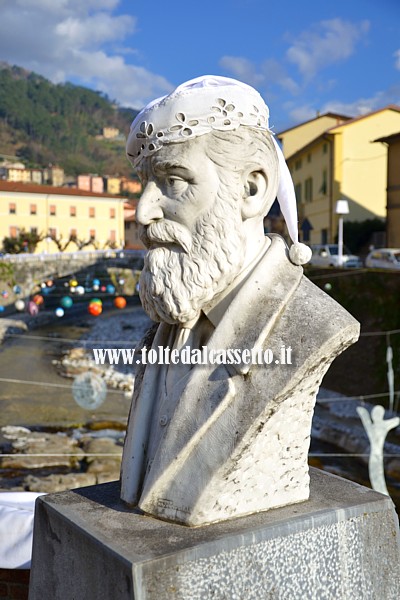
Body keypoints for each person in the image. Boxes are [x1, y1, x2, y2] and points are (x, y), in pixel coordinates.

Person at [120, 76, 359, 526]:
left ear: (251, 189)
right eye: (145, 183)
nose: (142, 212)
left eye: (172, 181)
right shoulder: (165, 325)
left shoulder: (313, 326)